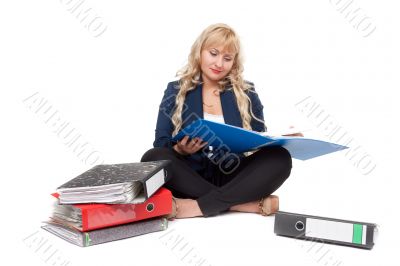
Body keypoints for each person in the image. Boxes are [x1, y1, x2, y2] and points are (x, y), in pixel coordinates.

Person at [141, 23, 294, 219]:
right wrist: (180, 150)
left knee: (279, 157)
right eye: (213, 53)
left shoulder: (247, 92)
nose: (219, 63)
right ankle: (240, 204)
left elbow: (260, 137)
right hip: (190, 174)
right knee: (152, 157)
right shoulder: (175, 90)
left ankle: (196, 206)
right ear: (200, 52)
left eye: (227, 58)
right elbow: (160, 142)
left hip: (234, 173)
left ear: (234, 63)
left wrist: (283, 138)